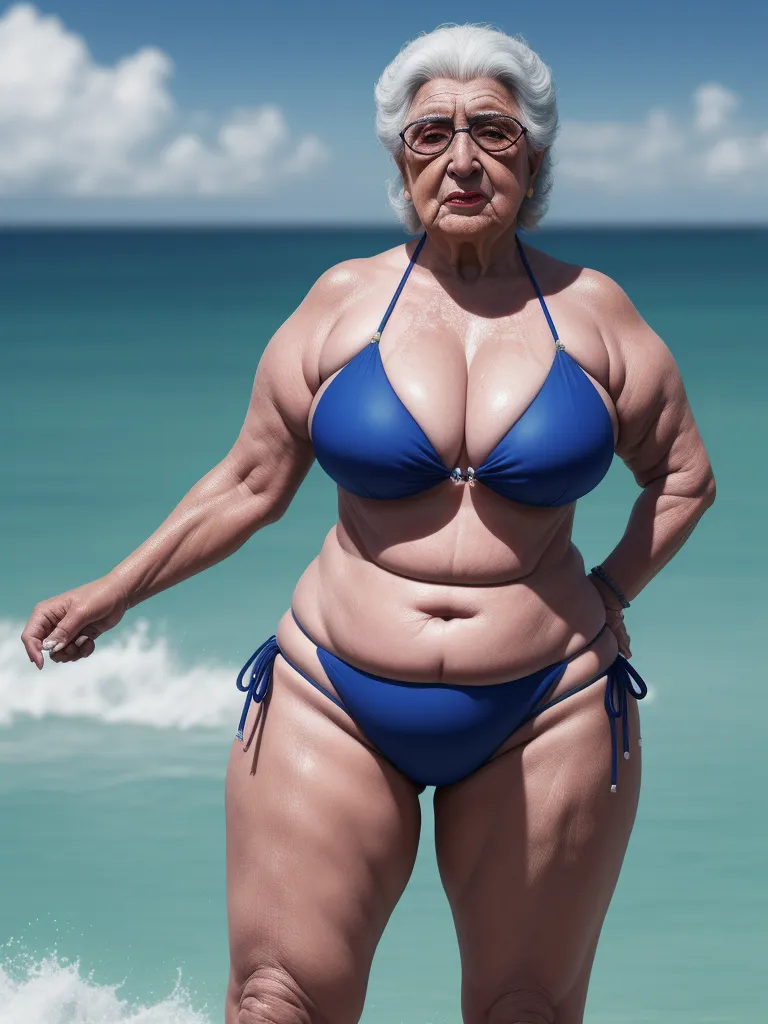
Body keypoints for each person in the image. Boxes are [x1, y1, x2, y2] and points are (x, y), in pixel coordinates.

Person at [21, 23, 715, 1024]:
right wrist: (113, 590)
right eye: (432, 133)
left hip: (549, 709)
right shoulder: (341, 304)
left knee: (528, 1010)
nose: (464, 159)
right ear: (399, 156)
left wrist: (605, 594)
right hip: (331, 695)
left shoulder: (596, 313)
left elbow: (685, 476)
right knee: (275, 1002)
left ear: (536, 155)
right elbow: (252, 480)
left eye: (494, 132)